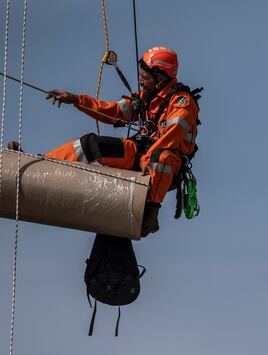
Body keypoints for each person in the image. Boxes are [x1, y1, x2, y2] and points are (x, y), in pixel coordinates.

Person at [44, 46, 199, 237]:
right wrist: (77, 100)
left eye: (145, 77)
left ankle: (150, 213)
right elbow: (113, 111)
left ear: (160, 79)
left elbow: (172, 136)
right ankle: (42, 162)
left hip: (166, 165)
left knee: (161, 157)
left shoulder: (182, 102)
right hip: (143, 154)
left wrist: (148, 159)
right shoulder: (146, 97)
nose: (140, 81)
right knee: (91, 144)